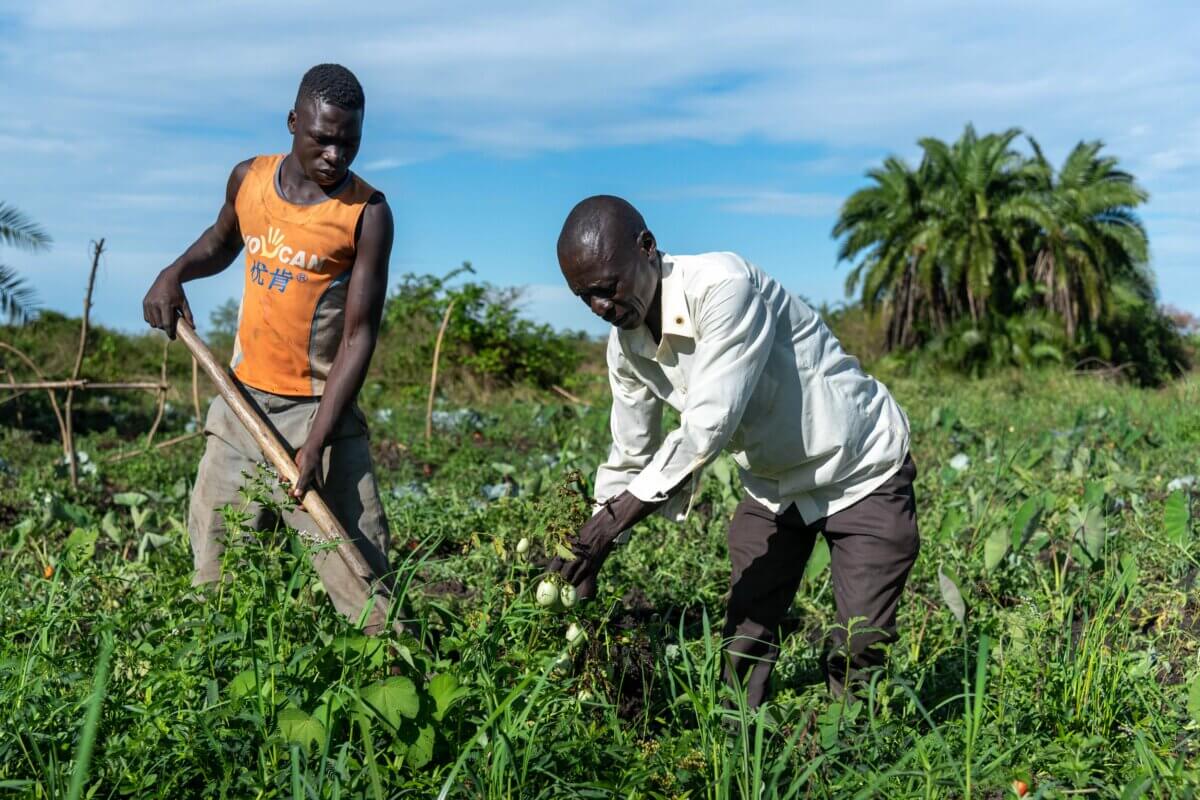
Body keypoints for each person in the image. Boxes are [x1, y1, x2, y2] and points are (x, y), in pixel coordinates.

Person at [550, 195, 919, 706]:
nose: (600, 308)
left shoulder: (725, 287)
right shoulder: (626, 347)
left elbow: (707, 425)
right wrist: (590, 552)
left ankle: (852, 741)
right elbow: (630, 455)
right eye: (584, 297)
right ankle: (741, 734)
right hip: (774, 487)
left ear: (647, 247)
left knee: (859, 645)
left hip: (859, 469)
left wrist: (607, 528)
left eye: (607, 288)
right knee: (745, 636)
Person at [142, 64, 396, 634]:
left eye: (349, 142)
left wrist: (317, 442)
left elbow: (358, 336)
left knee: (366, 587)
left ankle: (398, 674)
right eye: (322, 139)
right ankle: (218, 676)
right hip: (241, 407)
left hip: (319, 413)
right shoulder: (249, 179)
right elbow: (221, 241)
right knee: (215, 575)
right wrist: (173, 273)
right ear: (292, 122)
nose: (335, 155)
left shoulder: (366, 213)